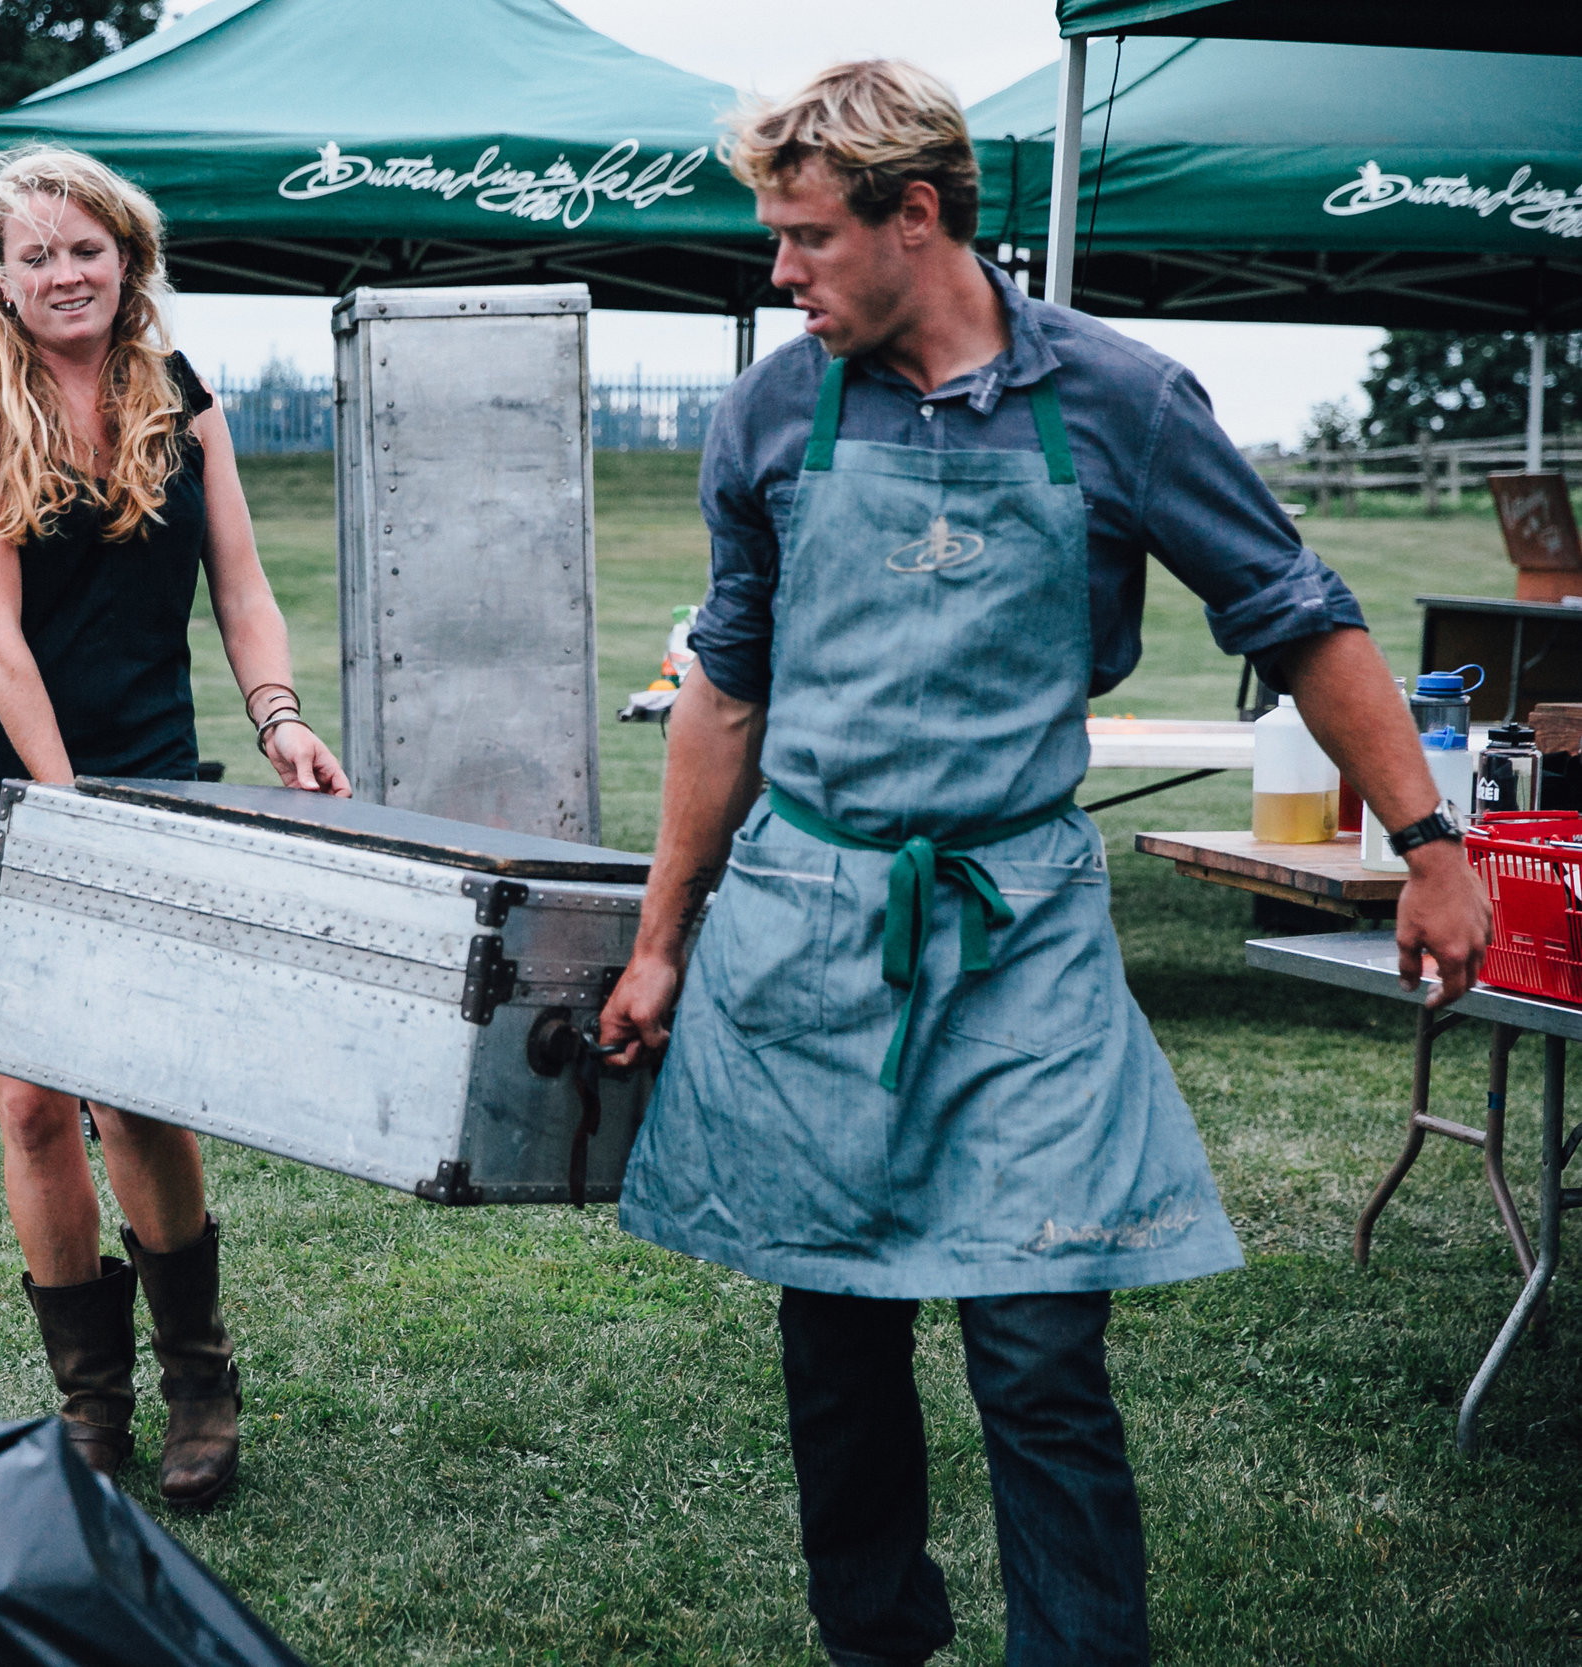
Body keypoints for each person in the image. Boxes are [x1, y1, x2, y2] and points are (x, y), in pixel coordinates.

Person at [599, 62, 1492, 1667]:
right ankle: (876, 1638)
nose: (780, 274)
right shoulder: (771, 409)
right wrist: (665, 940)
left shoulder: (1122, 401)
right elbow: (726, 685)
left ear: (916, 216)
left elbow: (1301, 618)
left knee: (1037, 1342)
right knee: (836, 1328)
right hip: (810, 924)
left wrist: (1429, 844)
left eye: (805, 238)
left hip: (1018, 932)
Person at [0, 142, 349, 1509]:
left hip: (151, 773)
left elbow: (244, 587)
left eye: (84, 247)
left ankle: (199, 1382)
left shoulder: (183, 401)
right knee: (35, 1101)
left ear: (128, 257)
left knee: (138, 1090)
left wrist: (276, 716)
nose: (63, 272)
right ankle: (90, 1412)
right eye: (35, 253)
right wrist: (60, 812)